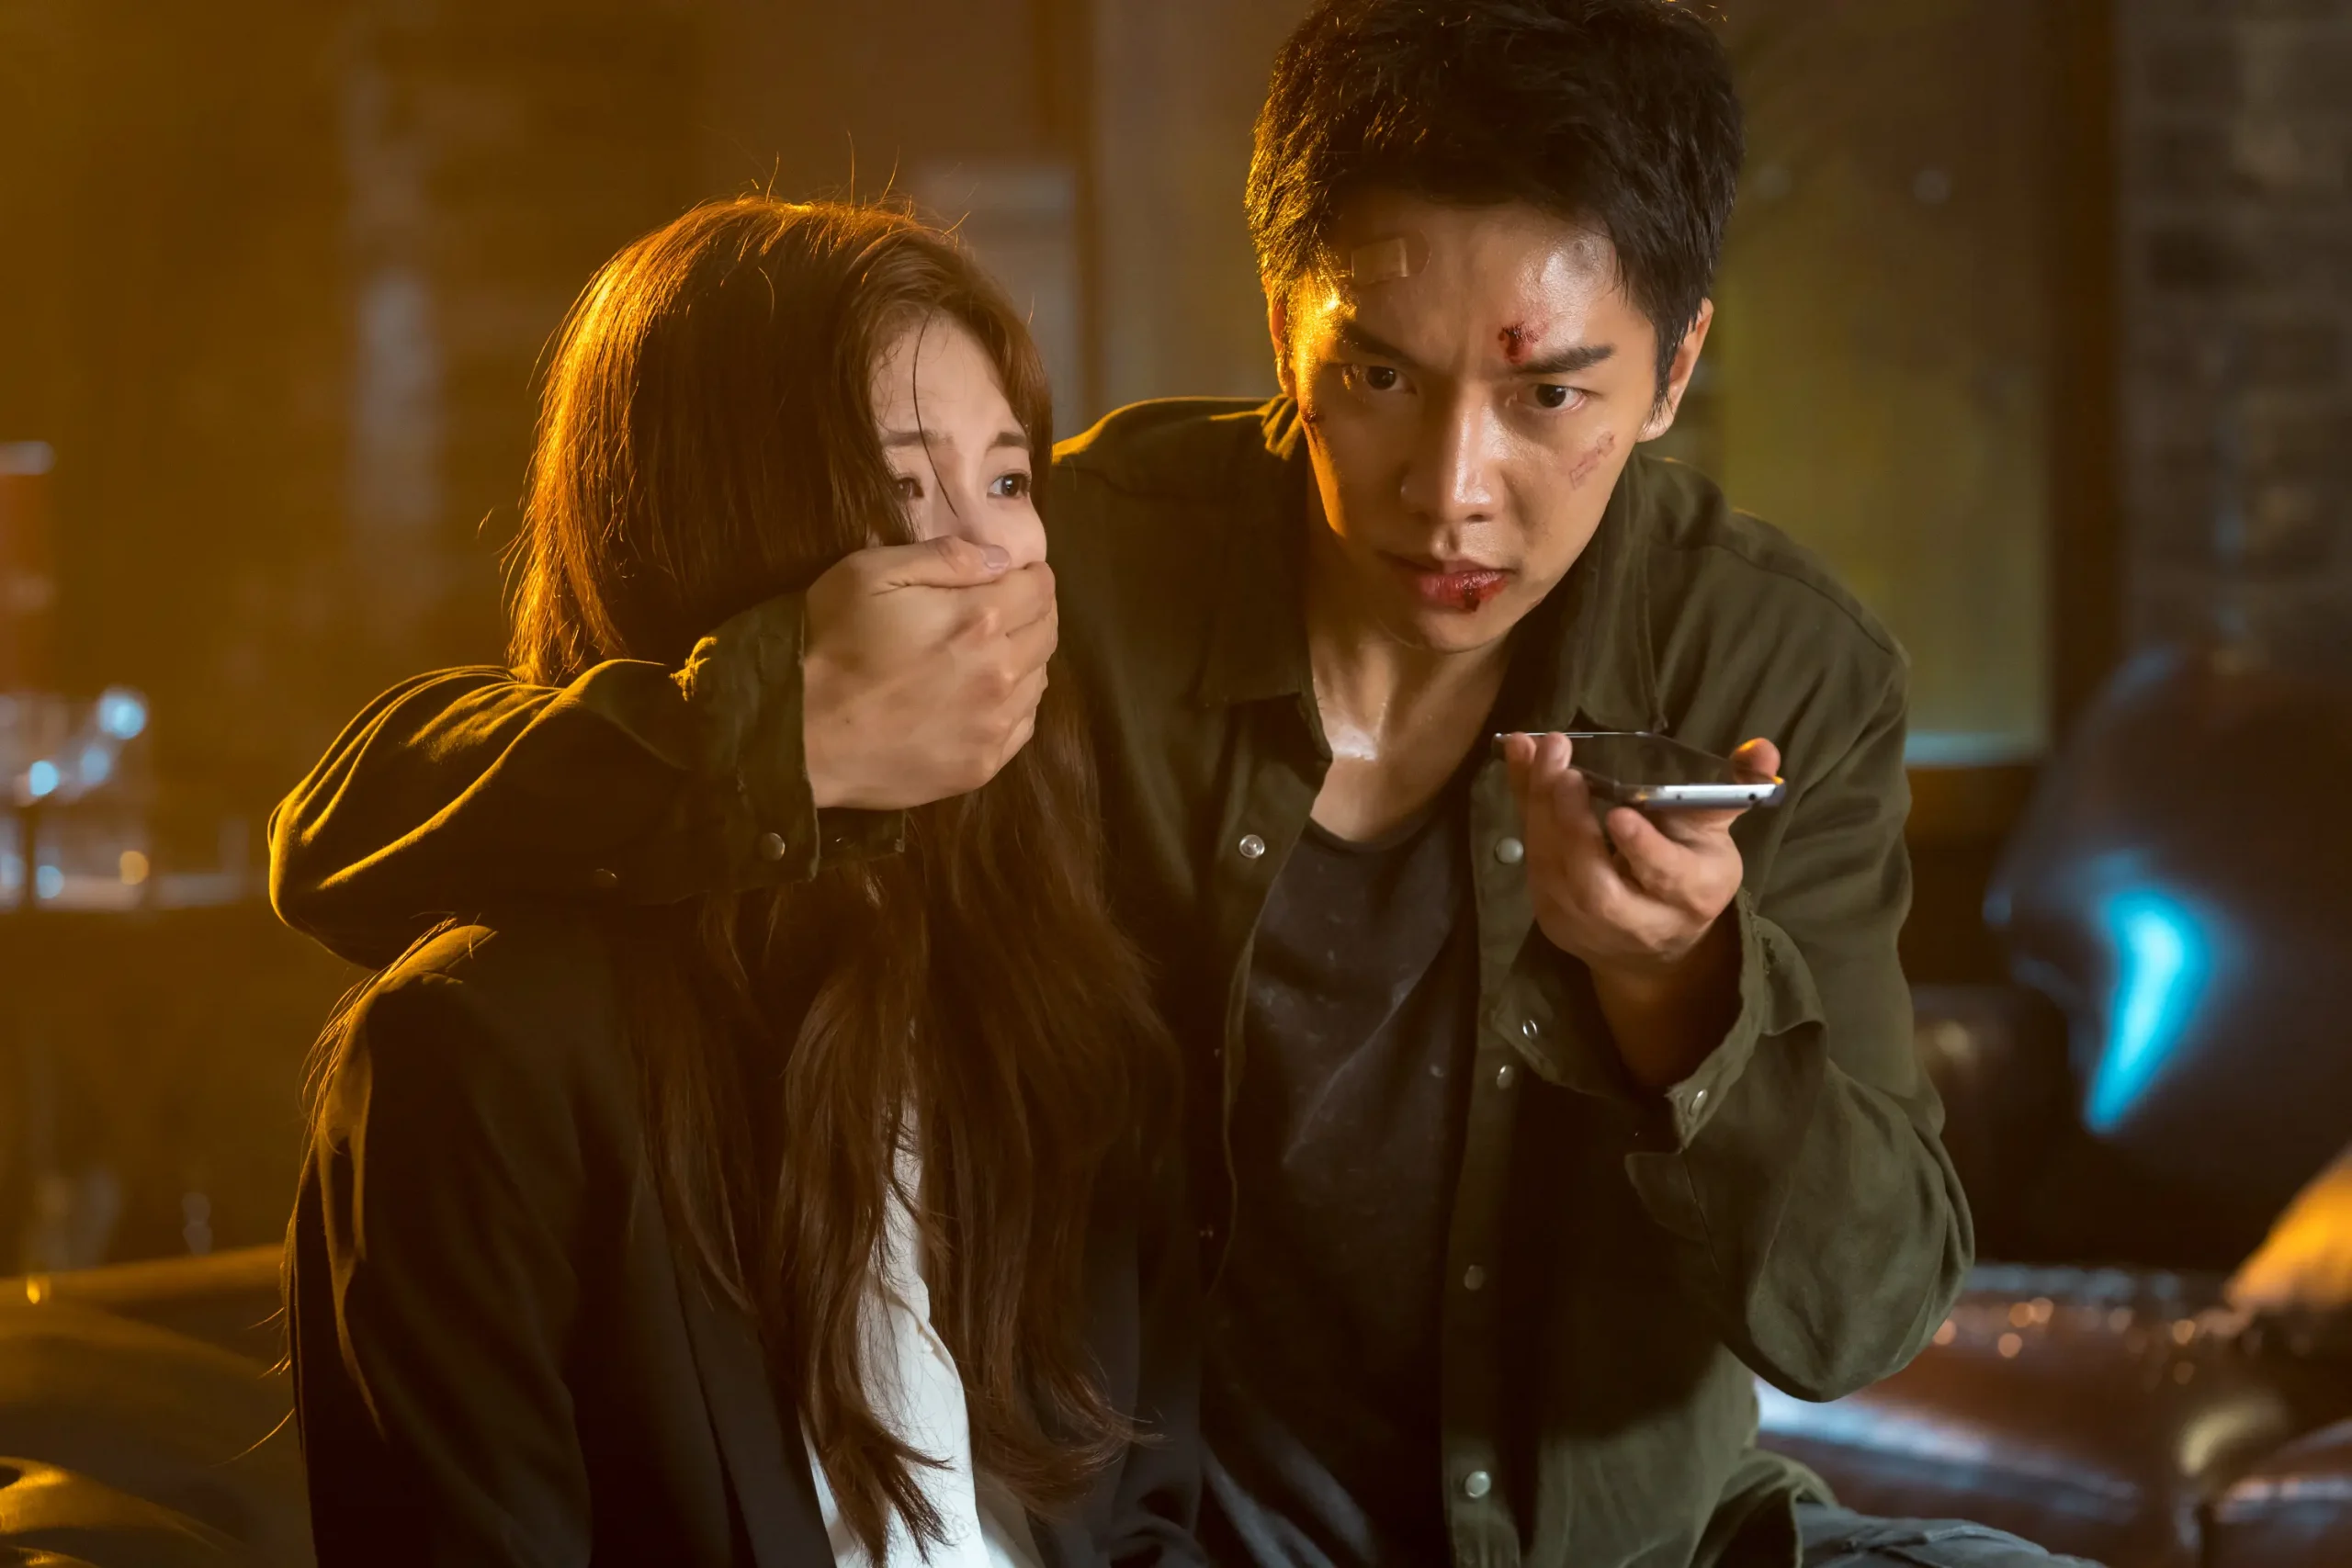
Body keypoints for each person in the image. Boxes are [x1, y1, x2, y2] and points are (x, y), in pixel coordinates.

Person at [271, 3, 2098, 1565]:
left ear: (1676, 364)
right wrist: (777, 732)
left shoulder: (1773, 667)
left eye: (1549, 396)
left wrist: (1683, 993)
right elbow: (349, 840)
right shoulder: (1074, 570)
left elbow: (1858, 1313)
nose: (1450, 489)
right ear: (1280, 319)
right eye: (1375, 375)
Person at [283, 199, 1204, 1567]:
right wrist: (783, 732)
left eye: (1010, 482)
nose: (991, 563)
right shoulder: (493, 1063)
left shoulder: (1044, 978)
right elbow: (338, 829)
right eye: (903, 490)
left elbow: (1145, 1507)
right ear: (734, 534)